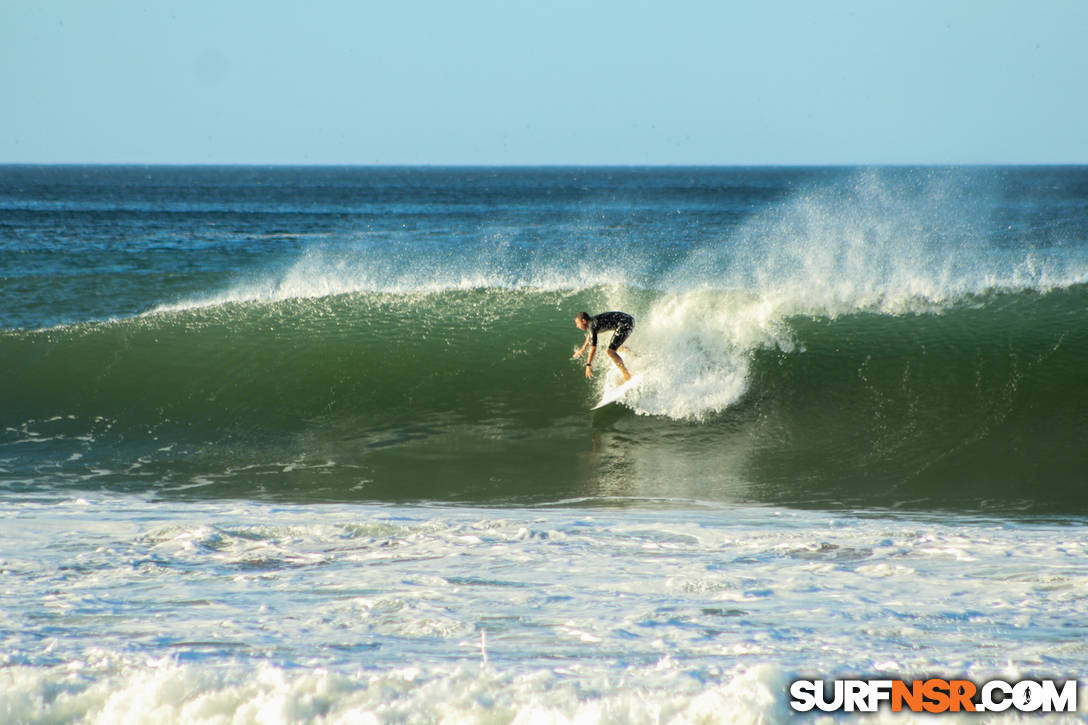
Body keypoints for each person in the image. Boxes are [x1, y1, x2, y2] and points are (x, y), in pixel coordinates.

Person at [572, 311, 634, 381]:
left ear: (584, 321)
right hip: (628, 320)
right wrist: (583, 349)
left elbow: (593, 348)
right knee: (617, 348)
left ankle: (627, 375)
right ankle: (634, 356)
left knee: (610, 352)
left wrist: (588, 365)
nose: (577, 326)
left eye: (577, 323)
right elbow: (590, 336)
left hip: (625, 323)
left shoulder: (592, 325)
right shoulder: (592, 322)